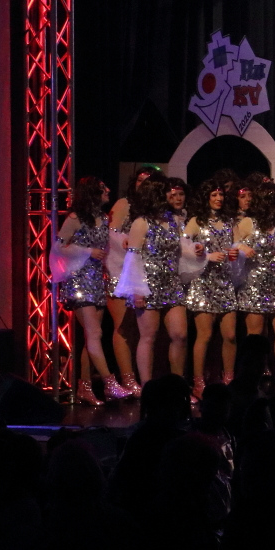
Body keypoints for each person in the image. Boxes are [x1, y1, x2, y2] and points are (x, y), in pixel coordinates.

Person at [54, 177, 131, 403]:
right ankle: (109, 383)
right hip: (79, 280)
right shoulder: (74, 218)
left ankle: (85, 387)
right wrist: (87, 251)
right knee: (95, 333)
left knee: (93, 336)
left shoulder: (103, 218)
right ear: (91, 193)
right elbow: (58, 247)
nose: (108, 190)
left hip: (97, 280)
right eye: (102, 188)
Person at [113, 178, 188, 382]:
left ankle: (178, 385)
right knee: (148, 336)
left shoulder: (174, 220)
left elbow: (182, 248)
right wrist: (137, 290)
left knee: (180, 334)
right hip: (147, 285)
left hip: (172, 283)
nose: (172, 195)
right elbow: (133, 258)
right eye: (167, 192)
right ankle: (147, 387)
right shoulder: (141, 223)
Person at [104, 166, 158, 397]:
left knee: (142, 330)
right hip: (120, 271)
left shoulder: (155, 210)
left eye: (149, 181)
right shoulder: (124, 203)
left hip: (145, 274)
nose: (143, 185)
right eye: (139, 180)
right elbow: (110, 234)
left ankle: (142, 377)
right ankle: (128, 379)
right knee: (124, 327)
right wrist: (128, 240)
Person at [183, 178, 238, 397]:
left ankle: (228, 380)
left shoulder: (229, 221)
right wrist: (204, 254)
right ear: (206, 197)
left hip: (225, 282)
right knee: (204, 335)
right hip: (203, 283)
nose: (218, 198)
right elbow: (183, 246)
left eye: (221, 194)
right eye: (214, 195)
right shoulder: (196, 221)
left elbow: (236, 245)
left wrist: (235, 252)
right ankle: (198, 383)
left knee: (230, 335)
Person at [234, 179, 275, 359]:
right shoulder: (248, 223)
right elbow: (230, 243)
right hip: (254, 285)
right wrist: (241, 247)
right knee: (255, 335)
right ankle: (255, 371)